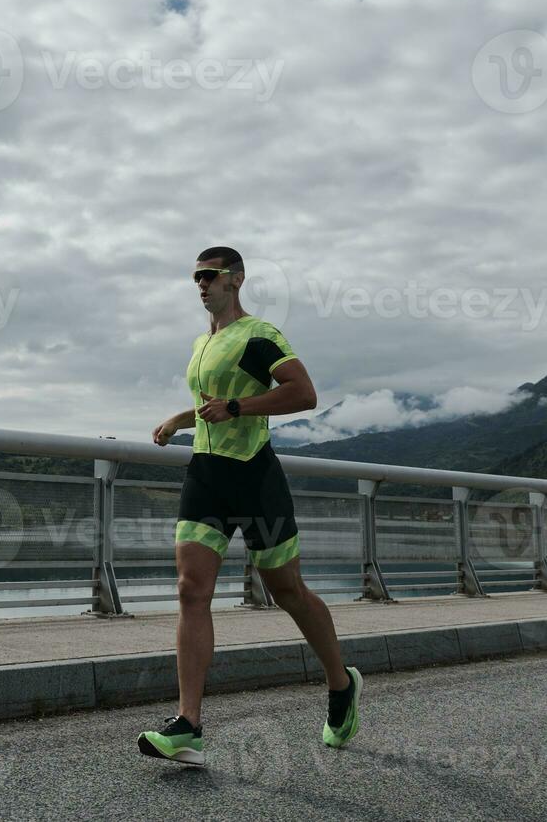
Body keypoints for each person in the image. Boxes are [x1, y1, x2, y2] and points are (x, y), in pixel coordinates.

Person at [137, 246, 361, 766]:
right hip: (206, 477)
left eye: (209, 276)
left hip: (255, 477)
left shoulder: (259, 336)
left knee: (288, 592)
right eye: (195, 276)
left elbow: (303, 393)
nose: (200, 284)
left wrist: (238, 407)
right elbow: (212, 405)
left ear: (235, 280)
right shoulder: (203, 342)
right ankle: (189, 725)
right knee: (192, 590)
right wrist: (179, 419)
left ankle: (340, 683)